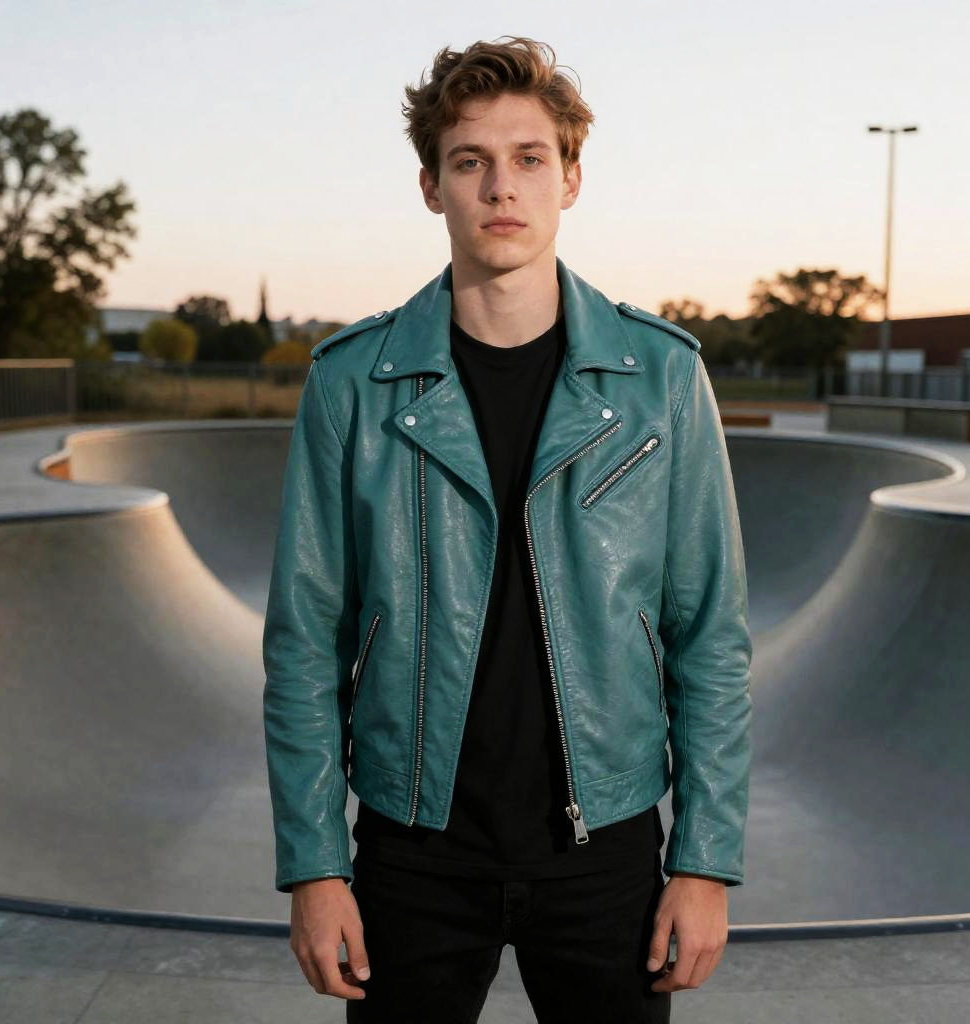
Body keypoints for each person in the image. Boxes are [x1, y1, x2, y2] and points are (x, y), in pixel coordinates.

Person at [262, 35, 753, 1023]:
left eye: (530, 158)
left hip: (607, 847)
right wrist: (313, 867)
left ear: (571, 180)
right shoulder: (354, 384)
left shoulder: (659, 380)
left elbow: (711, 636)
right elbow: (304, 640)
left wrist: (705, 859)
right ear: (430, 185)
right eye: (470, 161)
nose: (501, 186)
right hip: (411, 851)